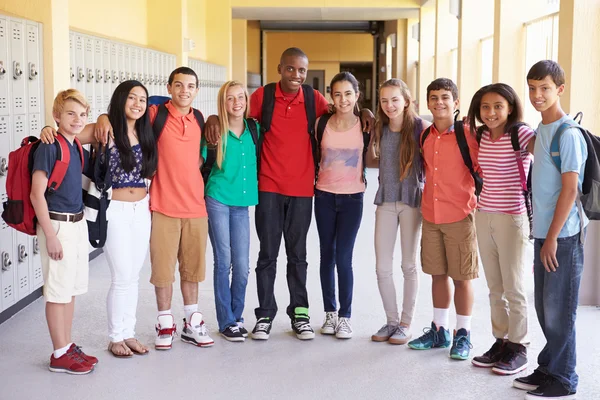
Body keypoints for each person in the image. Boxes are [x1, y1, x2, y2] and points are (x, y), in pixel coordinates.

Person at [204, 47, 374, 341]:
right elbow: (237, 115)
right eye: (291, 69)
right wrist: (212, 118)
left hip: (302, 189)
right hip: (268, 187)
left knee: (298, 255)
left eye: (302, 71)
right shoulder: (263, 97)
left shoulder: (313, 99)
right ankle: (265, 315)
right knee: (267, 255)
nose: (296, 75)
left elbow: (342, 111)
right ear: (280, 68)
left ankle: (300, 313)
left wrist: (367, 111)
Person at [94, 67, 214, 350]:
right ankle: (164, 322)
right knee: (161, 270)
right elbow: (123, 113)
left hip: (196, 206)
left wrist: (215, 119)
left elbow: (201, 156)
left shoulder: (198, 118)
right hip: (160, 205)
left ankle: (192, 321)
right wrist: (102, 116)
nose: (185, 90)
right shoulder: (154, 114)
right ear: (169, 88)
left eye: (191, 86)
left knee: (192, 270)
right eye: (179, 85)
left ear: (197, 90)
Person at [41, 81, 158, 357]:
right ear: (120, 99)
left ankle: (128, 333)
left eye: (142, 99)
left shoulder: (145, 130)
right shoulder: (103, 128)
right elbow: (65, 136)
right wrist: (47, 129)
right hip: (114, 209)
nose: (138, 104)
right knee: (120, 275)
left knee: (133, 275)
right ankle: (116, 336)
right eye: (132, 98)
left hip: (141, 209)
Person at [513, 60, 587, 400]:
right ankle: (549, 366)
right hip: (544, 232)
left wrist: (553, 238)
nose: (537, 95)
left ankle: (564, 378)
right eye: (532, 88)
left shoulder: (567, 133)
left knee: (559, 309)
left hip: (564, 236)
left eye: (544, 88)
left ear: (560, 88)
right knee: (545, 307)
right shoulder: (542, 129)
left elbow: (570, 190)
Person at [407, 78, 479, 361]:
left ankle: (463, 334)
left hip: (460, 215)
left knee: (462, 277)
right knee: (438, 274)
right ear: (427, 103)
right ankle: (440, 330)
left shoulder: (468, 134)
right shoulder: (425, 135)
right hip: (432, 216)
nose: (439, 102)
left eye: (445, 97)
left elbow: (482, 166)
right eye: (434, 97)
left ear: (456, 103)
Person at [467, 83, 535, 375]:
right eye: (485, 107)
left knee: (514, 287)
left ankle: (519, 347)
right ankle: (502, 341)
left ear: (510, 108)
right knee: (495, 287)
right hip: (484, 215)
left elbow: (547, 150)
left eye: (498, 106)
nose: (491, 112)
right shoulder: (481, 134)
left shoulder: (520, 133)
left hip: (512, 218)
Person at [31, 89, 98, 374]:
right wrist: (51, 235)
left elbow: (104, 126)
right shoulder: (49, 146)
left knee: (70, 290)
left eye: (82, 114)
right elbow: (37, 195)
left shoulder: (75, 146)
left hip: (77, 223)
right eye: (70, 114)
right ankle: (59, 353)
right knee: (57, 292)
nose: (77, 119)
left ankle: (67, 346)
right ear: (57, 116)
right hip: (57, 225)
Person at [366, 78, 429, 345]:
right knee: (382, 267)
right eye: (384, 100)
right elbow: (370, 161)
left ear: (407, 100)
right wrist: (370, 129)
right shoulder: (380, 127)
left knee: (408, 264)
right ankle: (391, 321)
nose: (389, 105)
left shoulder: (420, 129)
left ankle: (405, 323)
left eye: (394, 99)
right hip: (386, 201)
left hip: (411, 200)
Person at [201, 81, 259, 342]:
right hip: (218, 199)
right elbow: (199, 162)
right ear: (222, 104)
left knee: (243, 265)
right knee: (223, 261)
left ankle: (237, 316)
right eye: (229, 98)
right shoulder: (214, 132)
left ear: (246, 100)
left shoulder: (254, 129)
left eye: (240, 97)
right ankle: (226, 321)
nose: (236, 102)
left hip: (242, 204)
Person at [314, 72, 366, 340]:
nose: (343, 99)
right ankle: (329, 313)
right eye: (337, 94)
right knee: (327, 255)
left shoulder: (366, 125)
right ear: (330, 96)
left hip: (352, 198)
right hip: (323, 196)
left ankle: (345, 316)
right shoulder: (321, 123)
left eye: (348, 93)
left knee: (344, 258)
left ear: (357, 95)